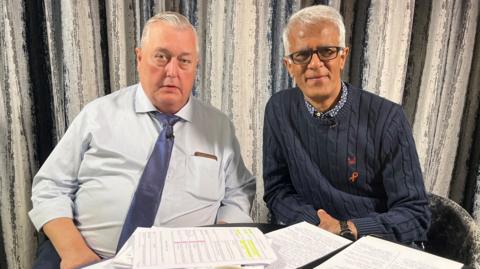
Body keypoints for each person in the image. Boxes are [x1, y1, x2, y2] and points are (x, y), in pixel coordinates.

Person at [29, 11, 255, 269]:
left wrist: (222, 243)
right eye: (161, 57)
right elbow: (50, 185)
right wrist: (73, 251)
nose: (172, 71)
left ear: (196, 66)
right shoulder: (98, 114)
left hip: (185, 264)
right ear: (139, 58)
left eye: (184, 61)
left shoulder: (219, 127)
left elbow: (238, 191)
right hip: (90, 257)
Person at [263, 5, 430, 244]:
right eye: (302, 55)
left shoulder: (388, 118)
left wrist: (347, 228)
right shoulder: (278, 109)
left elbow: (415, 215)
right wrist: (315, 223)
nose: (315, 63)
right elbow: (277, 190)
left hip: (374, 244)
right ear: (289, 65)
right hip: (313, 238)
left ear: (343, 57)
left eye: (327, 51)